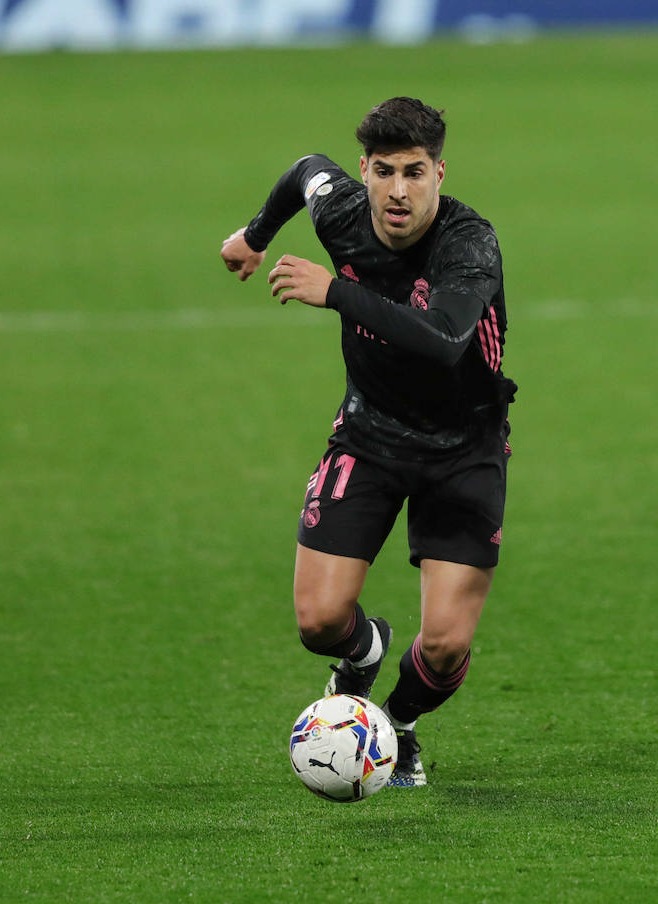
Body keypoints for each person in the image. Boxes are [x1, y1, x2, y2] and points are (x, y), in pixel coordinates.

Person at [220, 97, 515, 788]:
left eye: (416, 172)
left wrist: (335, 294)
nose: (400, 191)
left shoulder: (470, 244)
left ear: (440, 172)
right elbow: (304, 172)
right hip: (370, 435)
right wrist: (255, 235)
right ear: (366, 171)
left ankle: (399, 725)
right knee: (320, 621)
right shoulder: (343, 211)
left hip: (462, 447)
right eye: (384, 172)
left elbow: (445, 340)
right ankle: (364, 652)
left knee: (444, 645)